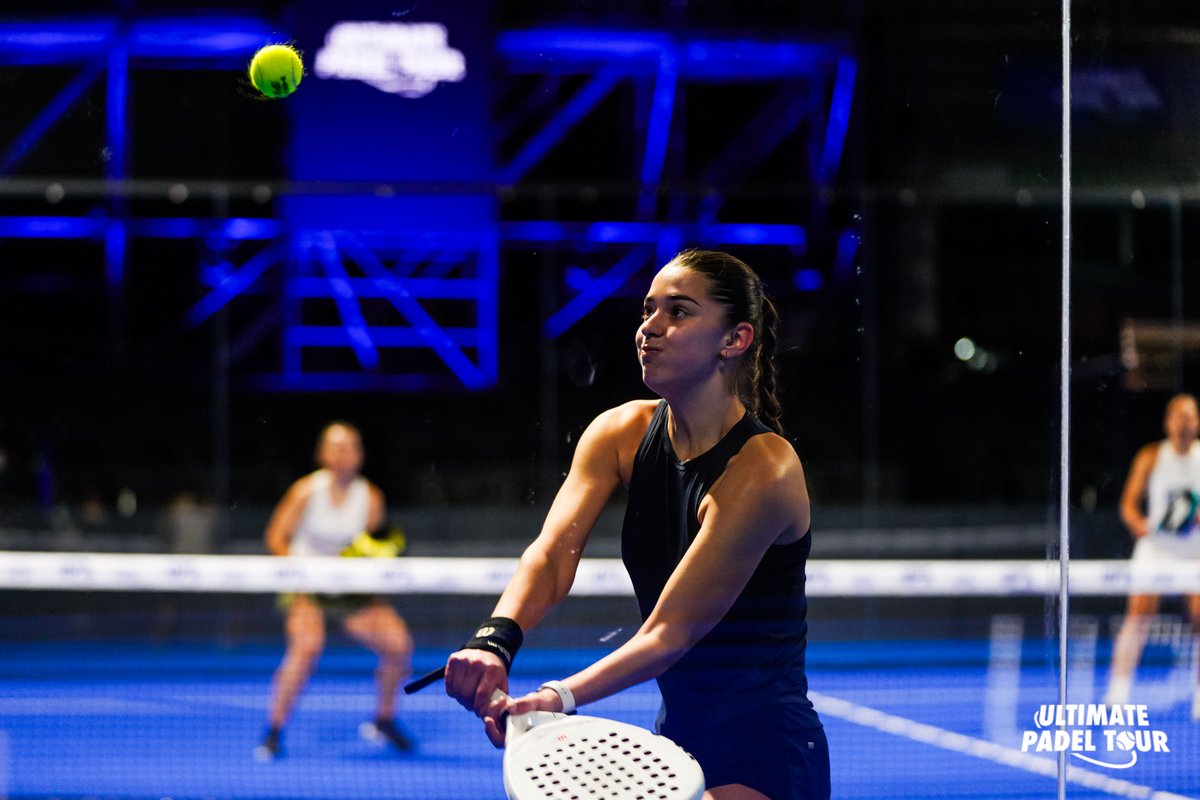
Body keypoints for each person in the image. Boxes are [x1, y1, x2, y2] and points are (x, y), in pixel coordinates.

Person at [443, 250, 830, 799]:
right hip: (677, 740)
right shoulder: (619, 432)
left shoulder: (764, 469)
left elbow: (669, 634)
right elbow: (553, 555)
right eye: (648, 310)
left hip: (765, 748)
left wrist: (556, 696)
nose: (650, 327)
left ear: (734, 339)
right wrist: (495, 641)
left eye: (678, 312)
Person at [256, 421, 415, 760]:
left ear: (360, 455)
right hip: (308, 588)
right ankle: (274, 730)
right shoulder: (305, 491)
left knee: (398, 645)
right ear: (323, 454)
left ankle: (385, 720)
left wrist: (376, 564)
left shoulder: (371, 497)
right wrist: (301, 571)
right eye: (338, 447)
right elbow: (275, 536)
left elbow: (374, 546)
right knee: (306, 648)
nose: (345, 454)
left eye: (352, 447)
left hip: (351, 592)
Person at [1103, 393, 1200, 720]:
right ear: (1168, 422)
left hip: (1193, 551)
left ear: (1197, 422)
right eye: (1179, 416)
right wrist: (1138, 523)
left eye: (1191, 416)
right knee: (1138, 616)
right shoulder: (1151, 456)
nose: (1185, 422)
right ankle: (1117, 693)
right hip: (1156, 549)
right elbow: (1128, 505)